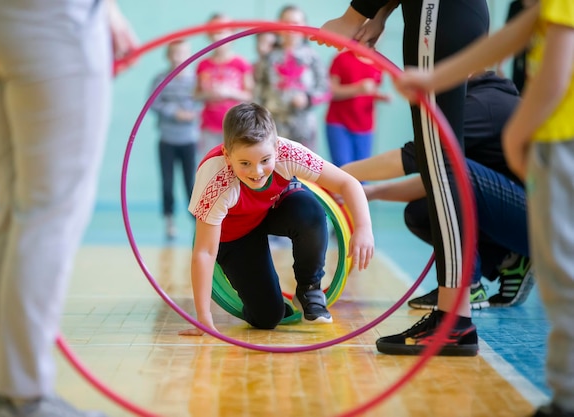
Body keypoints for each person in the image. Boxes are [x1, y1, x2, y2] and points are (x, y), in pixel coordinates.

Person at [0, 0, 138, 416]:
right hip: (51, 22)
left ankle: (11, 391)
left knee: (19, 206)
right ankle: (25, 396)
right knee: (48, 213)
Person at [392, 2, 574, 416]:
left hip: (562, 141)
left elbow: (557, 66)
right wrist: (435, 77)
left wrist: (517, 132)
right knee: (558, 276)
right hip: (552, 144)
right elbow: (520, 32)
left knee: (565, 280)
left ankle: (566, 400)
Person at [319, 0, 490, 356]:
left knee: (440, 164)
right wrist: (380, 15)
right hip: (441, 14)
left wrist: (352, 16)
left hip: (436, 15)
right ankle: (451, 315)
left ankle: (454, 319)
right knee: (438, 163)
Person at [179, 102, 374, 335]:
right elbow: (204, 252)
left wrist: (363, 227)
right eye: (245, 163)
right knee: (268, 317)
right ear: (227, 155)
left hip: (276, 207)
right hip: (238, 232)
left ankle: (309, 289)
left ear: (276, 148)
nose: (257, 171)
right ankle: (268, 301)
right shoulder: (215, 180)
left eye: (265, 160)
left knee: (309, 211)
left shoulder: (289, 153)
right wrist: (203, 317)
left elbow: (347, 182)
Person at [341, 76, 532, 313]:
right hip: (523, 216)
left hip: (546, 223)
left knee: (446, 164)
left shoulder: (482, 105)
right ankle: (509, 258)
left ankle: (466, 285)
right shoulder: (478, 100)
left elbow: (415, 158)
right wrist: (371, 192)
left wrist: (336, 177)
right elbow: (438, 179)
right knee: (420, 212)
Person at [256, 5, 329, 152]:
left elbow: (325, 90)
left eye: (295, 22)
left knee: (304, 170)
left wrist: (307, 99)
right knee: (275, 166)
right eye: (286, 22)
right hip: (273, 124)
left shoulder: (312, 57)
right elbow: (259, 88)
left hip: (304, 125)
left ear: (304, 26)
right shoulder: (269, 57)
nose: (290, 28)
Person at [149, 40, 201, 240]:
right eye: (175, 53)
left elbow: (203, 101)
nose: (179, 57)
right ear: (168, 56)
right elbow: (154, 103)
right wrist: (174, 112)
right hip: (167, 140)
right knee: (167, 182)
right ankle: (169, 221)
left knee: (191, 183)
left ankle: (196, 222)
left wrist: (193, 114)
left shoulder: (195, 80)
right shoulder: (161, 79)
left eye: (183, 53)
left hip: (189, 140)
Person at [195, 13, 254, 157]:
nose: (218, 37)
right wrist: (208, 94)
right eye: (214, 33)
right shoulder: (203, 65)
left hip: (236, 127)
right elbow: (196, 94)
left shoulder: (241, 64)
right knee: (210, 164)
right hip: (209, 127)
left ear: (232, 35)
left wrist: (229, 92)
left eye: (222, 33)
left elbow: (250, 95)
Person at [325, 49, 388, 167]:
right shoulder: (341, 59)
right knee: (342, 169)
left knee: (364, 171)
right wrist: (358, 89)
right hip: (339, 122)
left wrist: (379, 96)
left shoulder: (378, 62)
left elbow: (370, 91)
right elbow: (331, 92)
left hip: (365, 125)